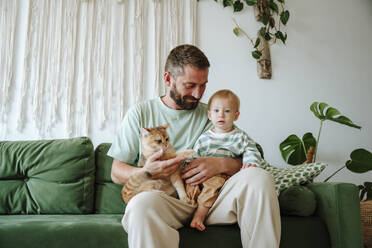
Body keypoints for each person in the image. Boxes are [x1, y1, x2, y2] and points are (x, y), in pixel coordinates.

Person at [108, 44, 281, 248]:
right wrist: (147, 171)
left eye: (203, 85)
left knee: (259, 178)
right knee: (140, 205)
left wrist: (222, 164)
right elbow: (116, 172)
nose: (198, 94)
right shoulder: (141, 113)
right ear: (168, 79)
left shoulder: (213, 113)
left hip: (211, 200)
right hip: (168, 202)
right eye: (190, 86)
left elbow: (247, 154)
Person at [188, 89, 264, 231]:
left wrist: (250, 163)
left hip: (224, 178)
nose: (221, 115)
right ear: (209, 115)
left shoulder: (239, 137)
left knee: (213, 185)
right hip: (203, 176)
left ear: (236, 115)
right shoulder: (204, 137)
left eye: (227, 111)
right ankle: (190, 206)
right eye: (216, 111)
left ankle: (200, 215)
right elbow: (195, 155)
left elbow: (252, 150)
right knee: (190, 185)